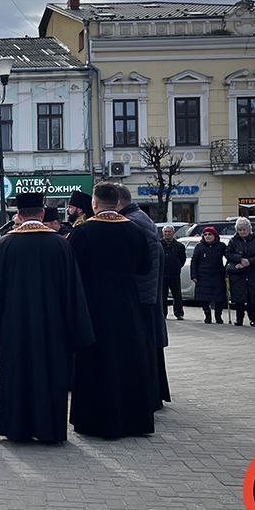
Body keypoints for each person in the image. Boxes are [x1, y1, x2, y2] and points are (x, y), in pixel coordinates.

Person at [0, 192, 93, 443]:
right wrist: (77, 328)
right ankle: (49, 429)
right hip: (53, 328)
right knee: (50, 375)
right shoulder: (61, 244)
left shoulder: (4, 245)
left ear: (18, 215)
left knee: (15, 375)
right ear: (42, 213)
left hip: (14, 327)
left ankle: (16, 428)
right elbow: (73, 290)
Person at [67, 183, 155, 439]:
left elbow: (72, 268)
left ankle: (94, 421)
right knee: (127, 360)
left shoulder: (83, 232)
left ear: (94, 203)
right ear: (118, 203)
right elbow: (144, 268)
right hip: (127, 304)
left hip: (93, 305)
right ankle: (133, 420)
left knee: (95, 360)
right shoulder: (135, 231)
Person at [114, 185, 169, 409]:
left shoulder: (132, 223)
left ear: (117, 203)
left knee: (143, 349)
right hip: (148, 295)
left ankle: (148, 397)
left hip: (141, 297)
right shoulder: (140, 217)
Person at [225, 218, 255, 327]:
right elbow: (228, 253)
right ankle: (239, 319)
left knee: (252, 298)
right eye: (240, 229)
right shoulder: (233, 241)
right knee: (239, 298)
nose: (242, 231)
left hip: (252, 272)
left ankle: (252, 319)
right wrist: (240, 259)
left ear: (249, 229)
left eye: (244, 229)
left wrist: (249, 261)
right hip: (238, 273)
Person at [191, 227, 228, 324]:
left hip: (218, 274)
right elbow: (194, 261)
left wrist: (227, 270)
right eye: (205, 234)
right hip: (203, 275)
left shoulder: (221, 246)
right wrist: (194, 275)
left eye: (210, 234)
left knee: (219, 297)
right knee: (204, 297)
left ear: (214, 236)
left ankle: (218, 315)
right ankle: (207, 314)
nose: (207, 236)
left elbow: (229, 257)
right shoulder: (199, 247)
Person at [160, 225, 187, 320]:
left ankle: (179, 313)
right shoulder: (159, 244)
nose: (167, 233)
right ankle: (163, 313)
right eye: (165, 232)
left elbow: (182, 259)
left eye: (169, 232)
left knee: (177, 295)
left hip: (174, 274)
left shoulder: (179, 246)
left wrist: (177, 266)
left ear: (173, 232)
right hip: (162, 274)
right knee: (162, 295)